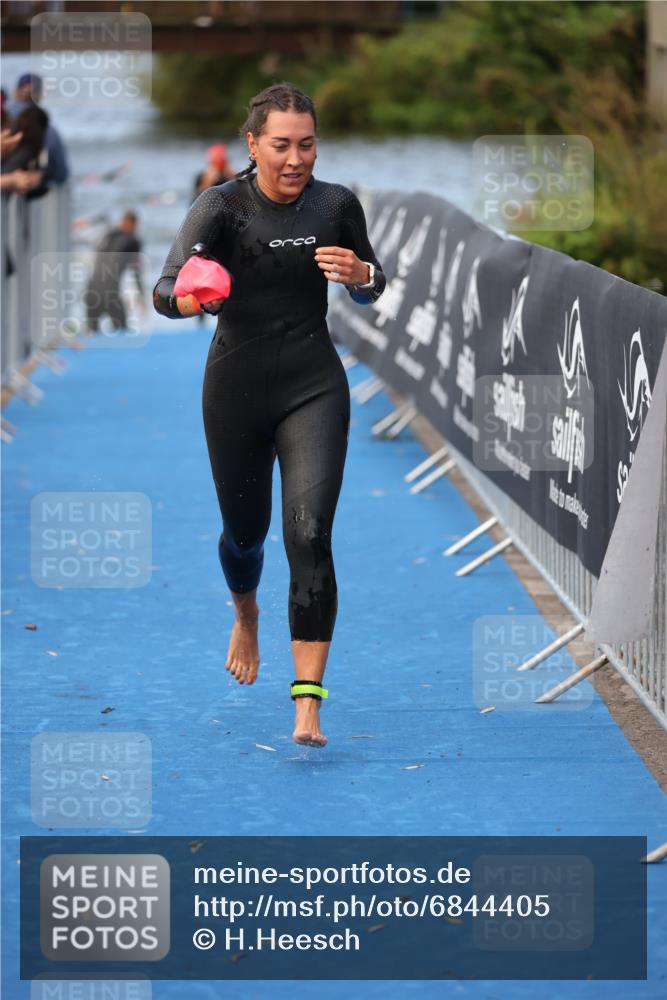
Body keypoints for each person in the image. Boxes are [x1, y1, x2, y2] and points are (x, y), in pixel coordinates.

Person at [153, 81, 385, 748]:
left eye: (306, 144)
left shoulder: (336, 204)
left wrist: (362, 276)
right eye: (281, 145)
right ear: (252, 144)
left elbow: (374, 283)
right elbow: (163, 292)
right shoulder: (220, 207)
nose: (295, 159)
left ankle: (307, 705)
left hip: (314, 384)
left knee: (309, 536)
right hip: (236, 388)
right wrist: (196, 298)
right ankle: (245, 612)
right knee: (245, 535)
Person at [84, 210, 145, 334]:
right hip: (110, 292)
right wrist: (141, 297)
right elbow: (136, 272)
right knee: (122, 331)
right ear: (134, 225)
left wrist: (87, 222)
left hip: (91, 289)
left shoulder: (108, 236)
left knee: (92, 332)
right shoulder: (133, 241)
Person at [6, 73, 69, 186]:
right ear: (40, 94)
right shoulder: (46, 128)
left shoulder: (4, 115)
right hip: (25, 183)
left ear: (16, 91)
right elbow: (61, 173)